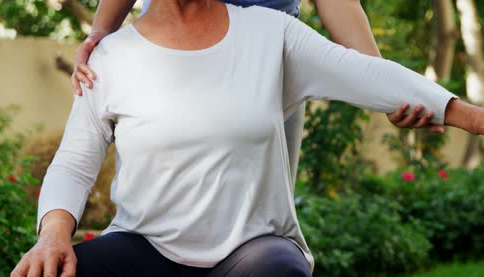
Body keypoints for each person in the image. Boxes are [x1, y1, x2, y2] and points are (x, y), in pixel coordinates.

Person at [8, 0, 484, 277]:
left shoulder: (271, 34)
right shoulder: (111, 58)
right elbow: (73, 159)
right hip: (147, 244)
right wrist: (53, 235)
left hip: (251, 248)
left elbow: (366, 74)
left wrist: (472, 116)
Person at [70, 0, 446, 184]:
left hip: (268, 74)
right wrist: (101, 34)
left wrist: (384, 87)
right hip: (169, 60)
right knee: (157, 219)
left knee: (263, 235)